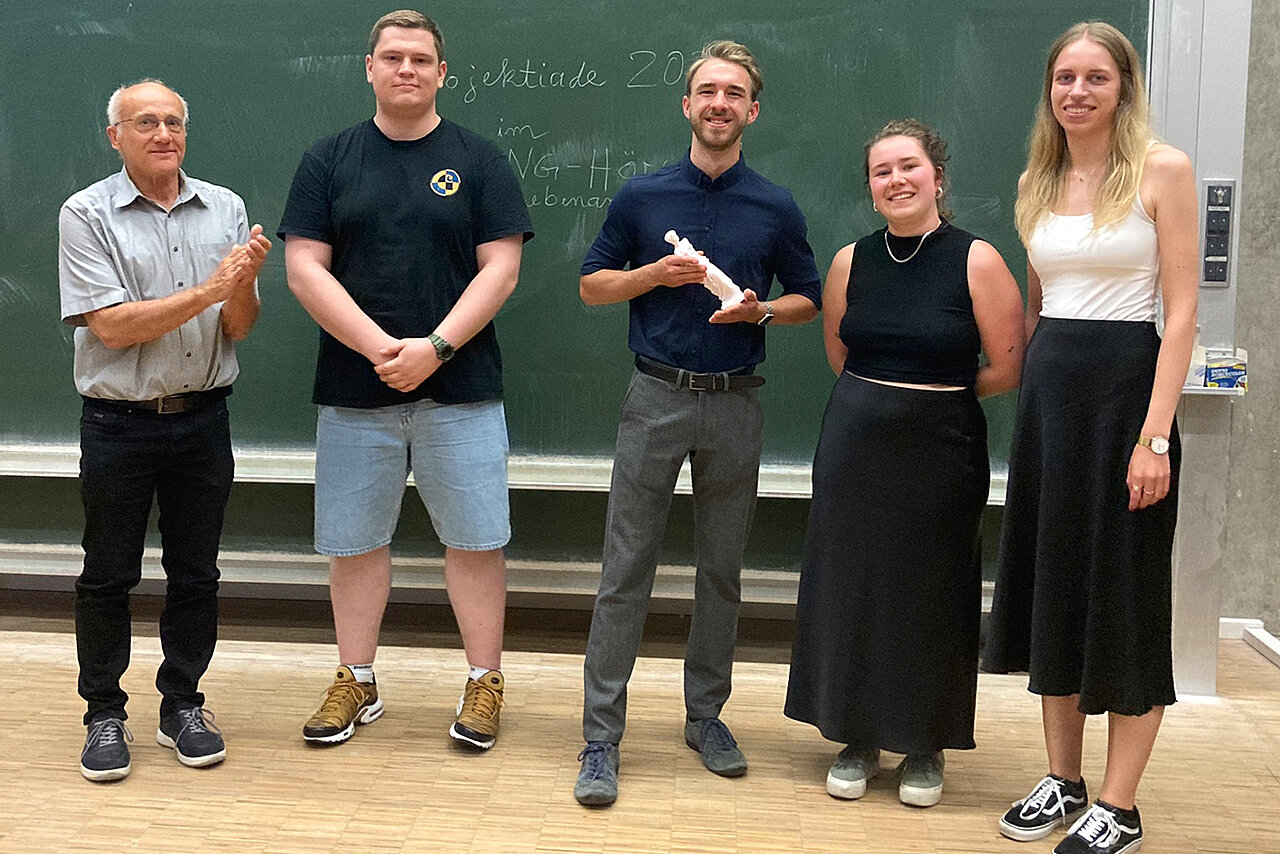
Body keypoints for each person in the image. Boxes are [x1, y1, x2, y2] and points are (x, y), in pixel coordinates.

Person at [572, 40, 822, 807]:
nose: (720, 102)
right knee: (626, 570)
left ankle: (705, 718)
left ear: (753, 110)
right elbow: (591, 287)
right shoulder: (642, 197)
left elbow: (809, 298)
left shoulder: (775, 205)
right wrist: (653, 274)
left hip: (736, 402)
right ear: (687, 105)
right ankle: (600, 738)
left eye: (734, 93)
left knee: (721, 571)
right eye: (708, 90)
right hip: (655, 398)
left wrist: (763, 310)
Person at [278, 10, 533, 751]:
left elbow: (501, 268)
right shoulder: (328, 160)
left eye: (420, 59)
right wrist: (384, 350)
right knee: (355, 545)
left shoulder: (480, 160)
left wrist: (437, 348)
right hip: (356, 390)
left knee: (477, 543)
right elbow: (303, 269)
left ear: (441, 73)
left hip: (462, 389)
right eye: (392, 57)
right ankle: (356, 679)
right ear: (369, 68)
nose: (406, 69)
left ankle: (484, 682)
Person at [983, 21, 1198, 854]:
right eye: (1065, 77)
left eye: (1095, 77)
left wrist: (1155, 438)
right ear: (1050, 90)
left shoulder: (1163, 170)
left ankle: (1120, 804)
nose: (1077, 91)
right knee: (1057, 590)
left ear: (1124, 87)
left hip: (1128, 401)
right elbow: (1040, 308)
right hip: (1054, 407)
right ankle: (1063, 779)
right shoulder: (1035, 180)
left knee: (1127, 597)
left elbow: (1182, 311)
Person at [783, 119, 1025, 807]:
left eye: (909, 166)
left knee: (931, 592)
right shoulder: (849, 262)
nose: (896, 180)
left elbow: (1007, 366)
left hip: (941, 448)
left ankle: (924, 744)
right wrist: (884, 399)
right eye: (882, 171)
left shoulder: (977, 259)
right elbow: (841, 355)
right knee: (853, 587)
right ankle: (856, 736)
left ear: (937, 177)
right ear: (870, 187)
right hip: (854, 447)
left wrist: (930, 396)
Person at [59, 79, 270, 781]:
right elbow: (113, 328)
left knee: (197, 572)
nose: (163, 134)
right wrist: (211, 289)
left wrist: (242, 285)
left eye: (174, 122)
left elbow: (239, 326)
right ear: (115, 136)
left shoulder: (226, 207)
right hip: (118, 423)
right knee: (108, 574)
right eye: (146, 122)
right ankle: (103, 713)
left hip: (203, 419)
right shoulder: (86, 213)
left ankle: (182, 703)